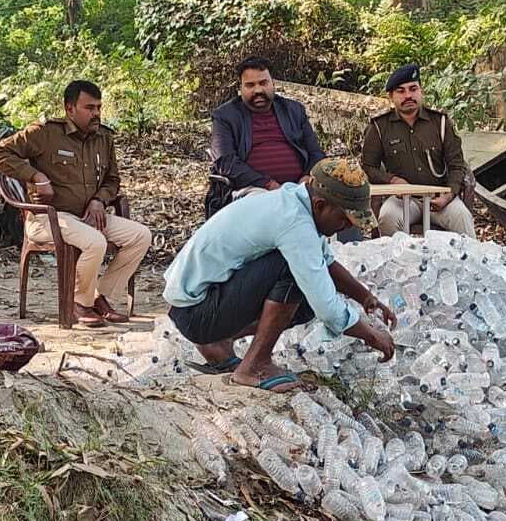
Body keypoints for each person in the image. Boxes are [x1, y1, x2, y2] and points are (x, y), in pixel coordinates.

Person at [165, 158, 397, 392]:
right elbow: (327, 307)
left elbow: (325, 262)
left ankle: (218, 341)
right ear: (320, 205)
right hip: (196, 313)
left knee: (304, 300)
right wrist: (371, 336)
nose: (348, 227)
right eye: (345, 220)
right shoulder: (294, 223)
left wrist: (366, 297)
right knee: (294, 272)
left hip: (194, 305)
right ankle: (254, 366)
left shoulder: (294, 201)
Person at [0, 80, 152, 326]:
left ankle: (101, 297)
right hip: (47, 218)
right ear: (69, 108)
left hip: (88, 216)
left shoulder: (103, 137)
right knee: (95, 241)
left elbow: (112, 180)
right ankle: (78, 303)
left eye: (98, 107)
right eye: (89, 108)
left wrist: (99, 199)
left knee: (140, 235)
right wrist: (36, 176)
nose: (96, 113)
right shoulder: (45, 133)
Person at [203, 57, 326, 220]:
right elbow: (225, 162)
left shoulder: (293, 110)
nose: (258, 90)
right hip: (253, 189)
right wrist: (269, 184)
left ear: (273, 84)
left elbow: (316, 153)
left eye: (263, 83)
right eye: (250, 85)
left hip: (300, 186)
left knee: (340, 198)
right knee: (268, 206)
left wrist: (305, 178)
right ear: (240, 88)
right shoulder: (225, 116)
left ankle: (348, 246)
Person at [360, 64, 476, 237]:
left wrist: (449, 195)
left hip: (440, 196)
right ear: (391, 96)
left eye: (413, 89)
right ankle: (398, 263)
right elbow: (368, 167)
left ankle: (469, 263)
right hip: (403, 199)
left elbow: (457, 165)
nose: (408, 95)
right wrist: (392, 180)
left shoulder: (441, 123)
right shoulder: (379, 126)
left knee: (462, 218)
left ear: (421, 92)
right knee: (387, 218)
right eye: (400, 91)